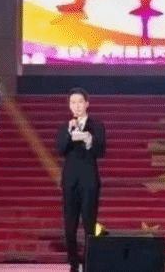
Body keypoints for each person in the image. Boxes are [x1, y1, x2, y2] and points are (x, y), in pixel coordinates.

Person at [56, 88, 107, 272]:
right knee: (69, 226)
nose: (76, 106)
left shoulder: (96, 126)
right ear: (69, 105)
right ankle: (73, 263)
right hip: (70, 181)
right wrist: (69, 131)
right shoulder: (65, 126)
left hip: (89, 181)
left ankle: (89, 263)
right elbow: (60, 149)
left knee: (89, 224)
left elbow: (101, 151)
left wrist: (89, 141)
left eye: (79, 102)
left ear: (87, 104)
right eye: (73, 103)